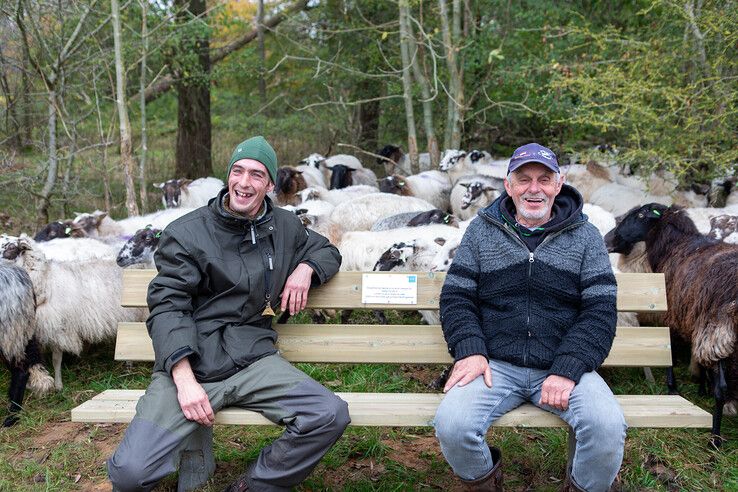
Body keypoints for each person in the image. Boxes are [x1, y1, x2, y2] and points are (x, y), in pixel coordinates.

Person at [108, 136, 350, 492]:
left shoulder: (283, 227)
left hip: (253, 361)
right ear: (228, 176)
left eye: (256, 174)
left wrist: (307, 268)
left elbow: (327, 250)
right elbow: (168, 307)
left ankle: (251, 486)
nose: (244, 182)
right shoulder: (187, 233)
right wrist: (184, 380)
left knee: (329, 414)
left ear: (270, 185)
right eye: (237, 171)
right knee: (130, 474)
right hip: (193, 364)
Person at [433, 143, 626, 492]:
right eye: (524, 180)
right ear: (508, 185)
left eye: (543, 179)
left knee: (606, 427)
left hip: (564, 366)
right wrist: (471, 350)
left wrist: (567, 368)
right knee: (453, 425)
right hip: (494, 365)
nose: (533, 189)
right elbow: (457, 297)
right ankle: (486, 483)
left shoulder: (586, 237)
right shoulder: (481, 231)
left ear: (558, 184)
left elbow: (599, 311)